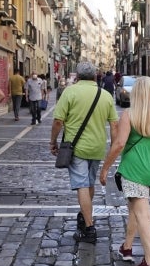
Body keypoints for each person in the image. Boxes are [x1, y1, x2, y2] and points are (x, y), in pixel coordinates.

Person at [100, 76, 150, 266]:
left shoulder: (130, 115)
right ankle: (127, 247)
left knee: (143, 214)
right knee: (135, 207)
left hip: (135, 170)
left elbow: (119, 144)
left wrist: (105, 168)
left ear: (137, 93)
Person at [50, 61, 119, 243]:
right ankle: (84, 215)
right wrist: (113, 147)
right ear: (95, 76)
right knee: (89, 183)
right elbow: (114, 124)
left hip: (76, 147)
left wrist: (53, 142)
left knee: (81, 185)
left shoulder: (70, 92)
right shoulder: (105, 95)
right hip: (97, 147)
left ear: (78, 76)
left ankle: (89, 227)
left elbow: (58, 121)